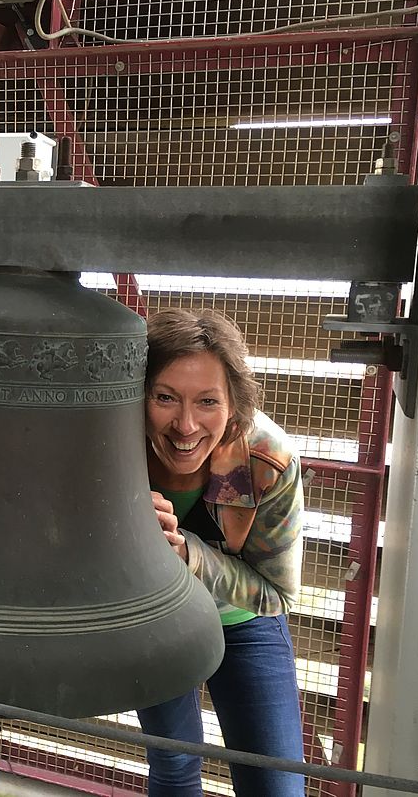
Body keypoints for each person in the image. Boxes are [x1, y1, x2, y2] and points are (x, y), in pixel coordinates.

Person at [137, 307, 305, 796]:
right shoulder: (111, 447)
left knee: (275, 784)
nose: (186, 425)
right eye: (165, 397)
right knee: (175, 766)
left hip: (243, 619)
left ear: (235, 405)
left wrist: (187, 553)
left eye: (208, 401)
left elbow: (276, 593)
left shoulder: (268, 460)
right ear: (138, 396)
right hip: (154, 619)